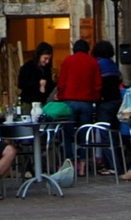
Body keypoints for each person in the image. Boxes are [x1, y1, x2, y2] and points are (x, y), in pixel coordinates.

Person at [55, 39, 102, 173]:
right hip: (86, 102)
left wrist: (61, 95)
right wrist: (95, 97)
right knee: (84, 135)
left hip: (70, 101)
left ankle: (69, 163)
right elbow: (97, 84)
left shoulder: (68, 61)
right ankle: (83, 166)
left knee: (68, 135)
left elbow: (61, 82)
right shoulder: (93, 62)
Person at [16, 41, 54, 108]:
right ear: (39, 55)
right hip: (29, 103)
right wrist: (37, 84)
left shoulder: (47, 70)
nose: (47, 61)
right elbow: (21, 84)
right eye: (45, 58)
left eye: (49, 59)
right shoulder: (28, 67)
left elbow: (50, 85)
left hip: (43, 103)